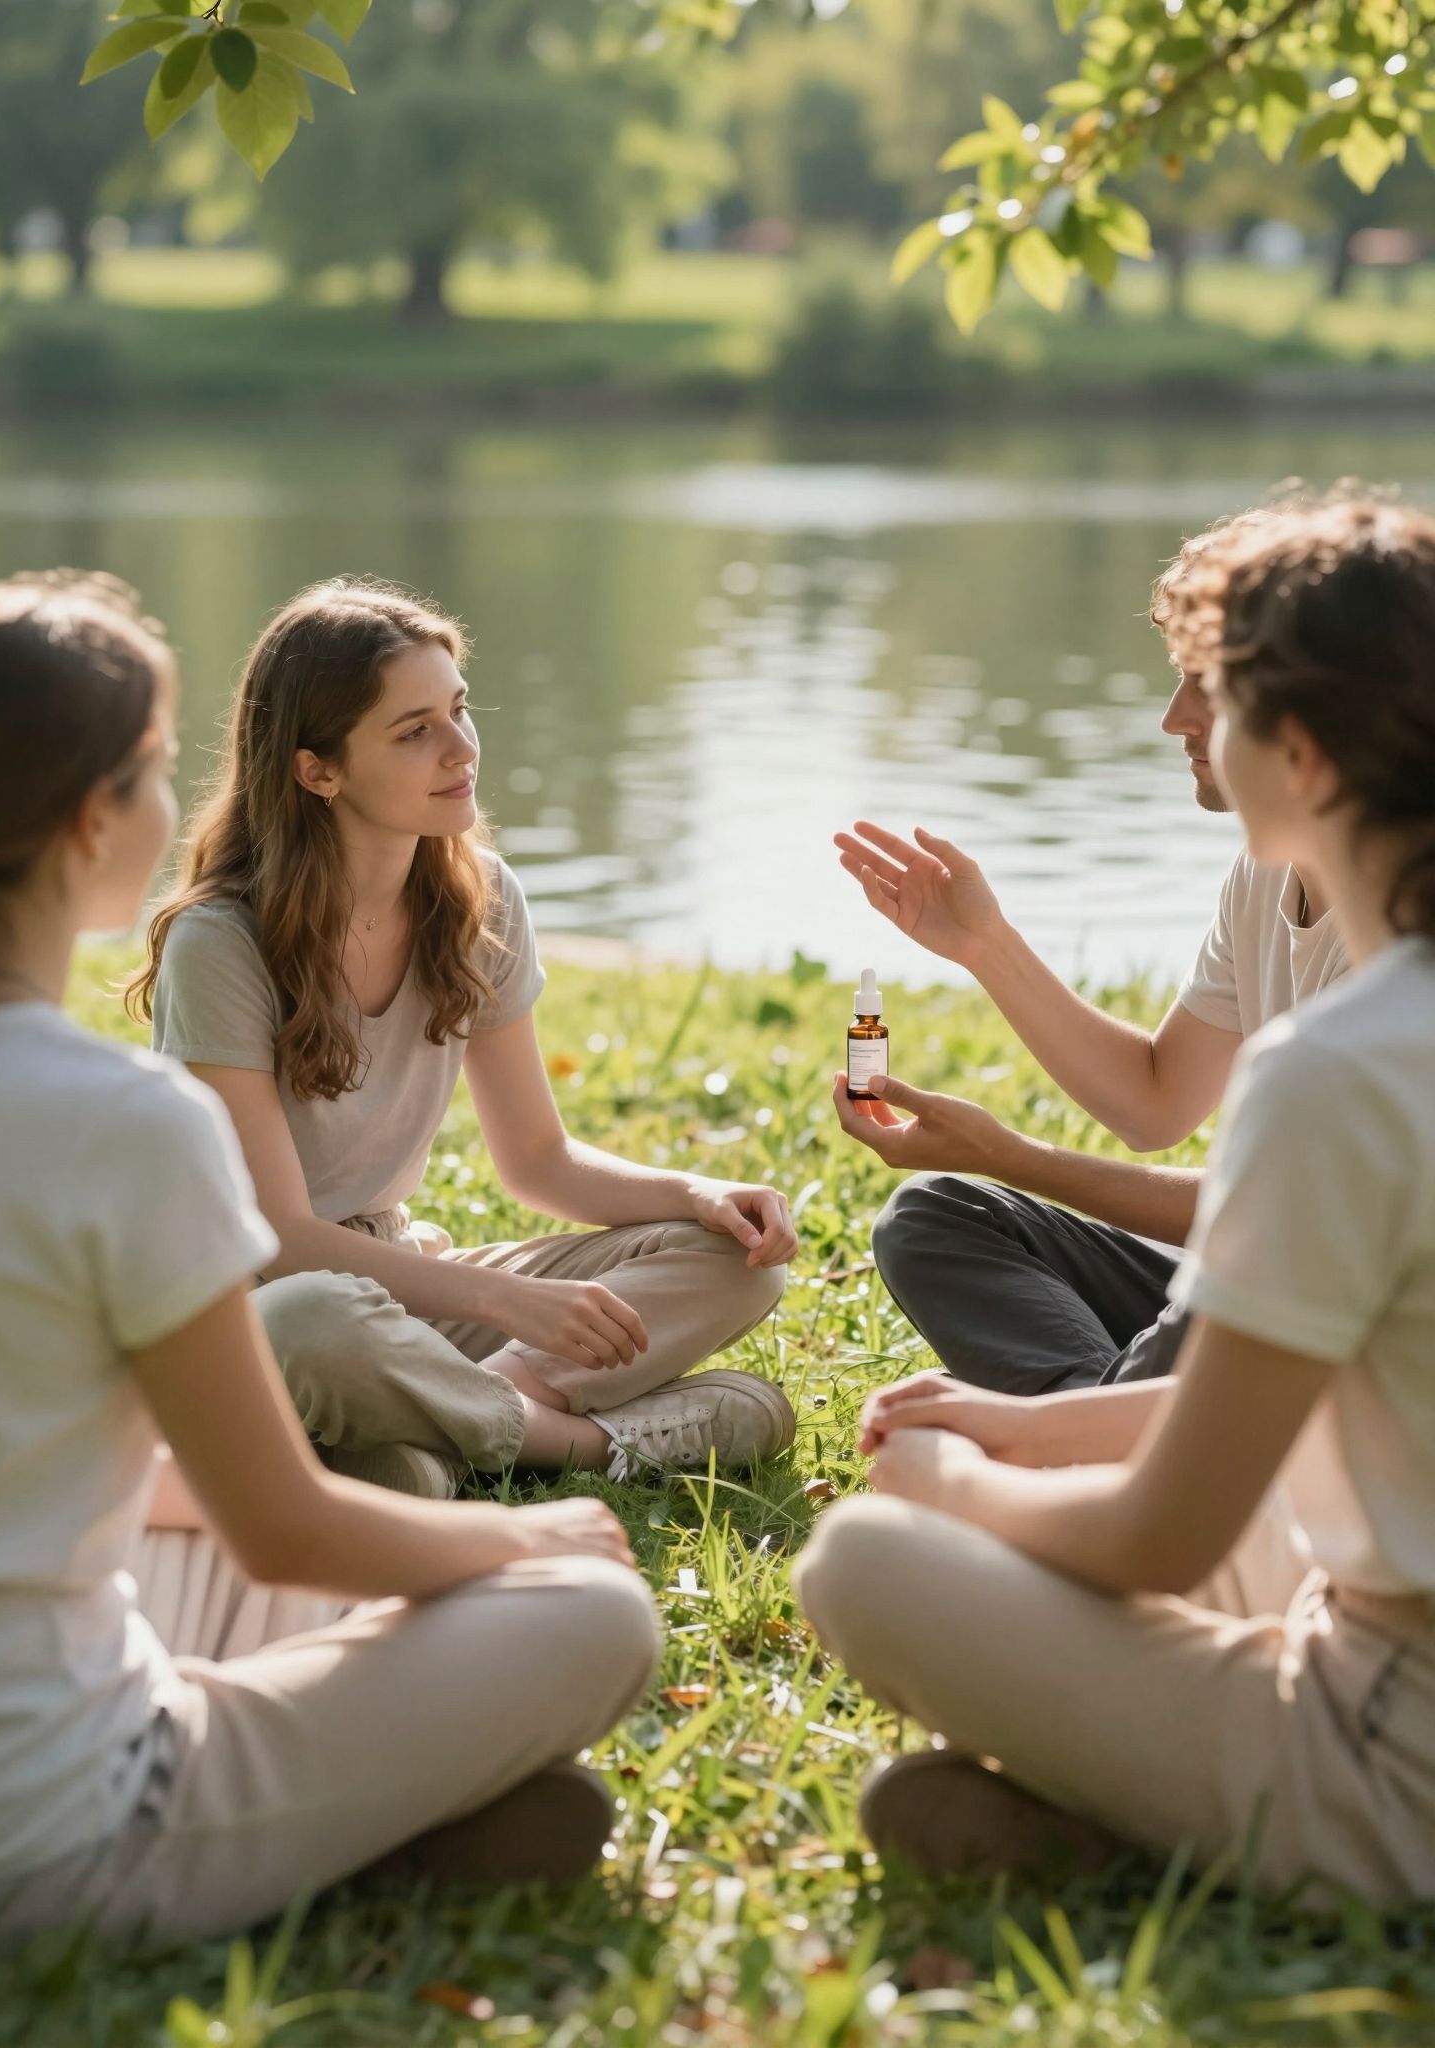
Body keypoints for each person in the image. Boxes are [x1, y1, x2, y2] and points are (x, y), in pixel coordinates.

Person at [0, 574, 662, 1954]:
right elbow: (285, 1523)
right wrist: (529, 1533)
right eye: (151, 770)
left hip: (14, 1669)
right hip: (31, 1833)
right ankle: (368, 1823)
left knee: (307, 1550)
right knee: (590, 1613)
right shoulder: (125, 1123)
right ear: (93, 822)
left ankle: (380, 1804)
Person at [798, 494, 1435, 1906]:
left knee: (867, 1562)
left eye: (1213, 697)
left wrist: (967, 1474)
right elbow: (1350, 1404)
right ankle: (1137, 1807)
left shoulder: (1346, 1072)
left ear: (1308, 751)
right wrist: (1027, 1423)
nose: (1171, 728)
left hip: (1400, 1751)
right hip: (1362, 1559)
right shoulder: (1340, 1008)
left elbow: (1164, 1533)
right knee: (962, 1281)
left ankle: (1229, 1832)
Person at [130, 579, 795, 1502]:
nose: (461, 750)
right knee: (318, 1323)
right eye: (414, 732)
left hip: (407, 1291)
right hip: (259, 1305)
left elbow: (538, 1160)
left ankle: (440, 1435)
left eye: (459, 711)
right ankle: (586, 1445)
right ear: (315, 768)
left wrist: (698, 1192)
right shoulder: (222, 942)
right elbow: (277, 1241)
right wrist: (502, 1299)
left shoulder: (481, 898)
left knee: (737, 1258)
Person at [832, 506, 1349, 1397]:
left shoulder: (1401, 913)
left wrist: (1013, 1154)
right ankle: (1101, 1422)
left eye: (1203, 686)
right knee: (940, 1216)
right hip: (1272, 1269)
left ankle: (1095, 1432)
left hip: (1353, 1309)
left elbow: (1287, 1221)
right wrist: (985, 945)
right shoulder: (1264, 874)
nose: (1171, 718)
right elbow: (1154, 1102)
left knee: (1243, 1274)